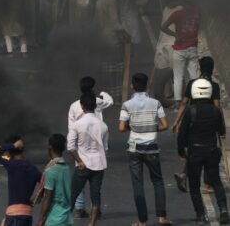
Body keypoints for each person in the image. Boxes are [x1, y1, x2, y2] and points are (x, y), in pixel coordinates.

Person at [118, 72, 171, 226]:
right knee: (158, 182)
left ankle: (142, 221)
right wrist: (152, 128)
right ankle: (162, 218)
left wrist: (133, 127)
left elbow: (121, 127)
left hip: (134, 149)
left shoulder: (127, 105)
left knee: (138, 185)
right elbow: (165, 125)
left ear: (132, 86)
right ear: (147, 85)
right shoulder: (156, 103)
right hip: (151, 149)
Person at [178, 78, 229, 224]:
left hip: (195, 152)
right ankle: (223, 209)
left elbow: (182, 134)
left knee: (194, 185)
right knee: (216, 181)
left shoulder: (190, 111)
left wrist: (181, 151)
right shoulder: (215, 111)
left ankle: (201, 214)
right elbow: (221, 131)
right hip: (211, 151)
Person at [67, 93, 108, 226]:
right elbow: (105, 148)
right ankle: (91, 224)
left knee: (73, 194)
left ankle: (64, 222)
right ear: (95, 106)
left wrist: (79, 161)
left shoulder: (77, 125)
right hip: (98, 165)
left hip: (83, 165)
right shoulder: (103, 126)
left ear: (82, 106)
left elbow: (70, 147)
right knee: (95, 196)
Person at [161, 0, 200, 103]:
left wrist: (175, 35)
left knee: (178, 77)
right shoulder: (198, 11)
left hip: (179, 48)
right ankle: (197, 99)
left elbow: (163, 27)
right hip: (192, 47)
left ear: (182, 1)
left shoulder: (177, 14)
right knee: (194, 75)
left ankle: (178, 102)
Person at [0, 136, 42, 226]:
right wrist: (36, 197)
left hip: (14, 215)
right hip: (27, 214)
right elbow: (45, 182)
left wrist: (13, 145)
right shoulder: (32, 167)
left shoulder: (11, 163)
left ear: (10, 150)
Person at [35, 134, 74, 226]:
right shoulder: (67, 168)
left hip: (55, 219)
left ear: (50, 147)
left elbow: (47, 198)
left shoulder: (51, 171)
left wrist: (40, 220)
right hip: (67, 218)